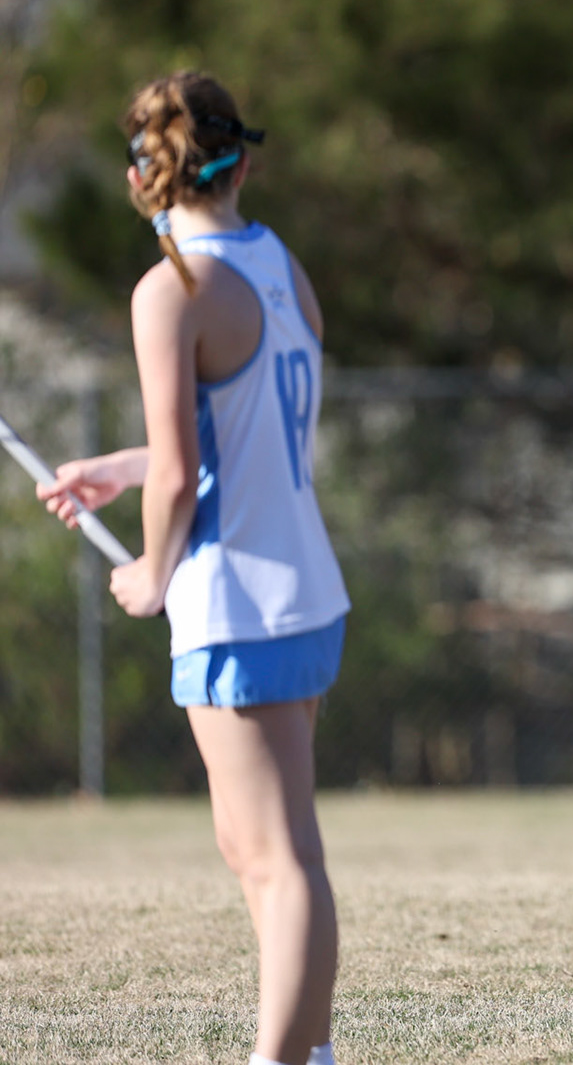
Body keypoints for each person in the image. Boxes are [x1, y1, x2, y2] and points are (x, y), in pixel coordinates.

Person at [40, 72, 348, 1064]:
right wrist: (114, 473)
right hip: (301, 587)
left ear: (144, 175)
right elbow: (234, 439)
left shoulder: (171, 287)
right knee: (255, 850)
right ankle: (309, 1047)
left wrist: (151, 571)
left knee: (280, 860)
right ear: (240, 160)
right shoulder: (277, 263)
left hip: (237, 599)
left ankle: (284, 1058)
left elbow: (184, 474)